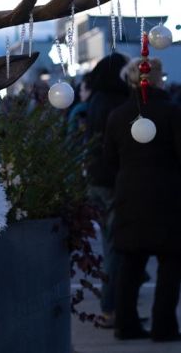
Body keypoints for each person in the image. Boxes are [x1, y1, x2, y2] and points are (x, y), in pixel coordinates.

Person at [104, 58, 181, 341]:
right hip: (167, 195)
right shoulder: (172, 112)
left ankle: (126, 324)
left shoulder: (118, 114)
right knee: (170, 263)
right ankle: (164, 326)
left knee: (131, 264)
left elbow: (108, 159)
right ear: (159, 78)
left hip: (129, 193)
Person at [85, 53, 130, 328]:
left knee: (108, 244)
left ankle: (110, 305)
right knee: (116, 247)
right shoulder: (119, 103)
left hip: (95, 180)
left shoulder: (94, 102)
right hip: (113, 181)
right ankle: (111, 307)